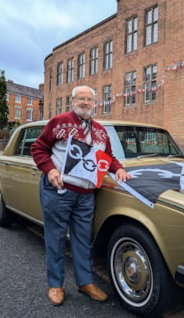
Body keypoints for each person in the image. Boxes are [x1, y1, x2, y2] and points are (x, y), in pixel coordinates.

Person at [31, 85, 131, 306]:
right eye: (81, 99)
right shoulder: (59, 122)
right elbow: (38, 148)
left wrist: (119, 168)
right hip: (60, 190)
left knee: (83, 241)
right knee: (56, 239)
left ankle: (85, 282)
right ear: (72, 101)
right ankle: (55, 285)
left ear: (95, 103)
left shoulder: (100, 131)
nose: (86, 103)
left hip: (86, 195)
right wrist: (50, 169)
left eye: (90, 99)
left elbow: (108, 157)